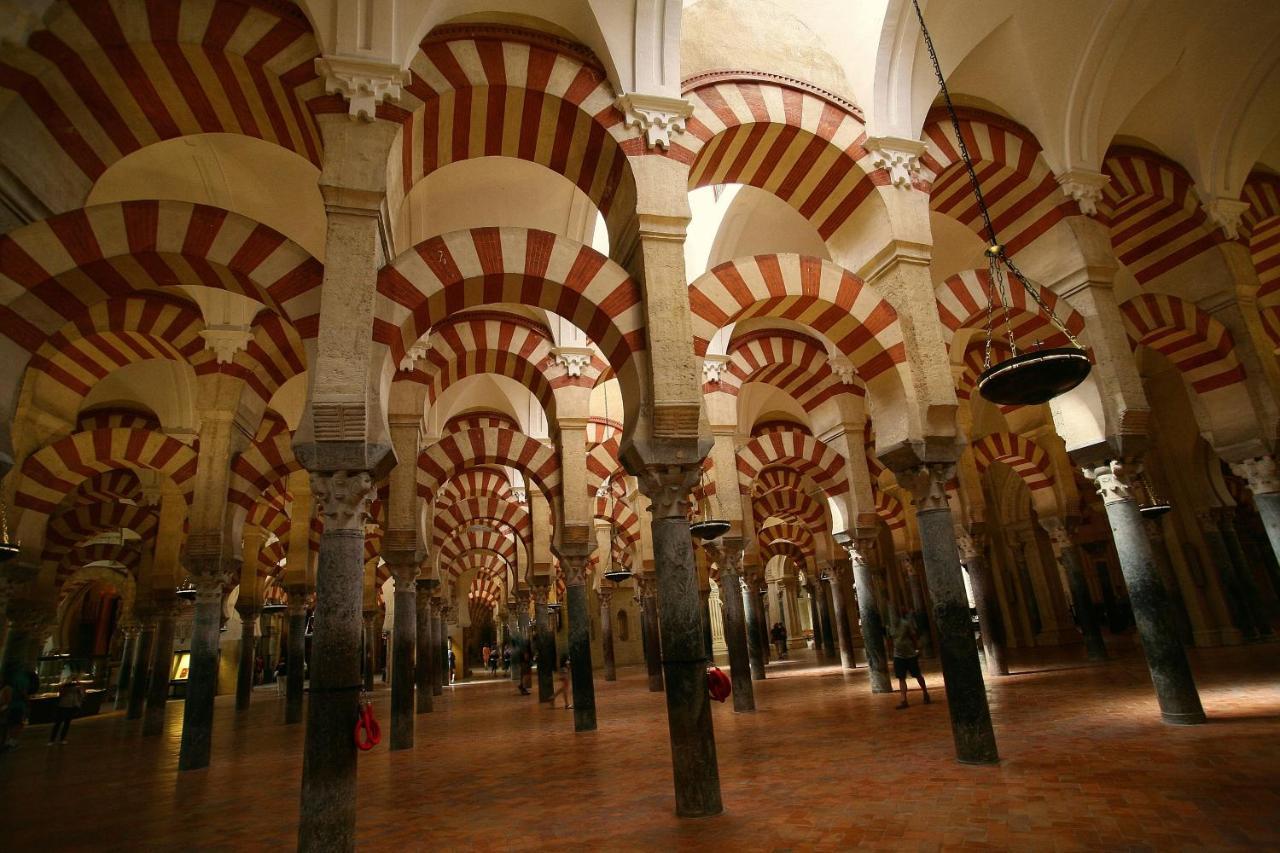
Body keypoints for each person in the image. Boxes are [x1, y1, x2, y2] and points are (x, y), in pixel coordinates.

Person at [889, 607, 930, 709]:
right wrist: (890, 652)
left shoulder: (906, 624)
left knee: (917, 675)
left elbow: (913, 636)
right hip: (898, 656)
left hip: (910, 654)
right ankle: (904, 700)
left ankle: (925, 692)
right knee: (901, 678)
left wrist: (917, 649)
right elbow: (890, 640)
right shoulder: (890, 627)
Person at [48, 672, 84, 745]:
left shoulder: (78, 685)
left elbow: (82, 694)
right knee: (58, 723)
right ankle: (52, 740)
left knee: (67, 723)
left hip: (71, 706)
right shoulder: (64, 685)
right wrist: (67, 688)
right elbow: (61, 694)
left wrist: (79, 688)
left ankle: (62, 739)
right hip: (63, 706)